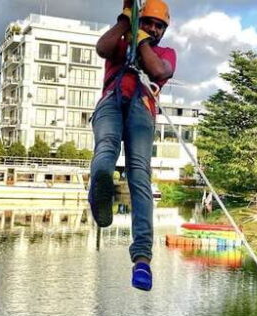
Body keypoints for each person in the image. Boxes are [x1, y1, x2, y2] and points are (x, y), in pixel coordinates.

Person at [90, 0, 176, 291]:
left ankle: (142, 258)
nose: (153, 28)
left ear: (164, 30)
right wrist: (126, 21)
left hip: (141, 107)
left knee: (139, 174)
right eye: (148, 22)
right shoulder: (120, 41)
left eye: (158, 25)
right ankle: (100, 186)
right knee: (106, 149)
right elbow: (102, 48)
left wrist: (140, 40)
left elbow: (159, 71)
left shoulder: (164, 52)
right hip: (111, 102)